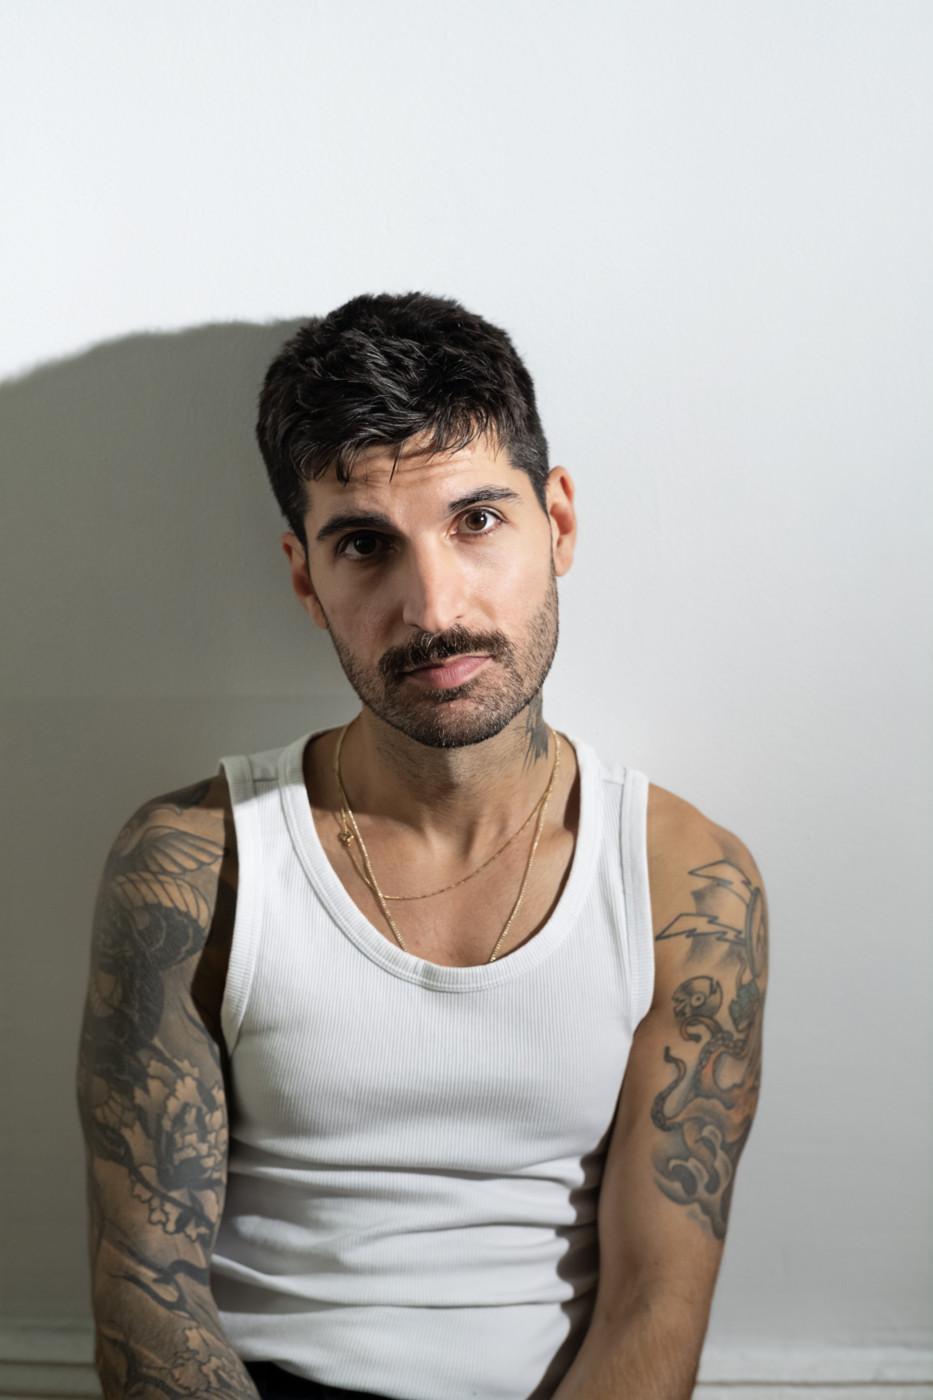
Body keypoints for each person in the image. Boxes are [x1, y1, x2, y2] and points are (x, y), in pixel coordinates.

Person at [77, 293, 768, 1400]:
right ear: (305, 576)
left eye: (477, 520)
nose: (432, 607)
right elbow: (146, 1291)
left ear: (559, 522)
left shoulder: (688, 884)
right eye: (365, 544)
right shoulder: (196, 865)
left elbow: (656, 1304)